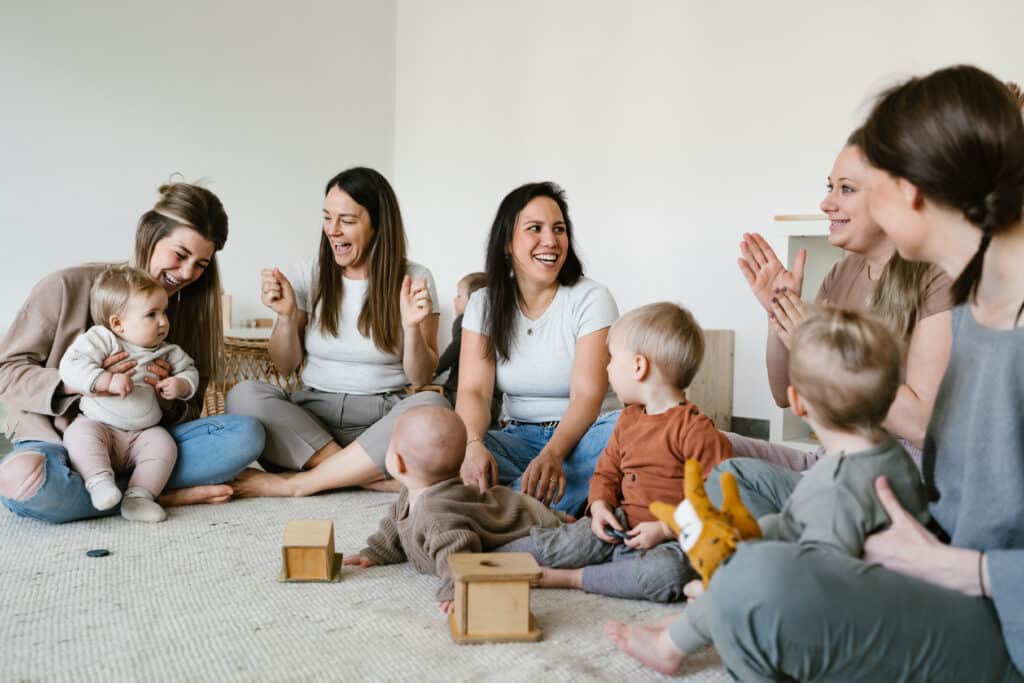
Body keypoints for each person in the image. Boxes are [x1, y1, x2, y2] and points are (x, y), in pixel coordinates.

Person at [607, 64, 1024, 681]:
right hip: (935, 564)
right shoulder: (977, 304)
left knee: (760, 579)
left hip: (995, 617)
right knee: (753, 553)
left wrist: (960, 569)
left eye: (866, 183)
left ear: (911, 190)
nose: (833, 201)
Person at [661, 307, 928, 657]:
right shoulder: (893, 459)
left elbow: (811, 583)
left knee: (750, 588)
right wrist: (761, 534)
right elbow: (796, 528)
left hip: (853, 634)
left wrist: (736, 588)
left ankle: (668, 645)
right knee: (766, 533)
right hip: (896, 602)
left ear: (798, 403)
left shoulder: (838, 484)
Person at [0, 182, 265, 523]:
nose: (187, 274)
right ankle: (157, 495)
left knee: (246, 435)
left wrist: (169, 392)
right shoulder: (66, 287)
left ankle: (126, 492)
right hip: (60, 442)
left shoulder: (181, 313)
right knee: (20, 479)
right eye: (180, 255)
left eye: (200, 264)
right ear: (149, 235)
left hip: (144, 441)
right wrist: (88, 381)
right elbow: (6, 370)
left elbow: (191, 405)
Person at [730, 130, 954, 472]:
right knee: (700, 442)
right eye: (829, 187)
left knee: (732, 477)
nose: (826, 203)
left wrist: (823, 345)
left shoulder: (937, 278)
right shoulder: (841, 273)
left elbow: (923, 428)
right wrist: (780, 311)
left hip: (892, 466)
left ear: (893, 198)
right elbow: (784, 394)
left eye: (846, 189)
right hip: (831, 458)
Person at [226, 167, 448, 497]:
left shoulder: (414, 277)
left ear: (377, 223)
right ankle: (361, 473)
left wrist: (410, 328)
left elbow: (420, 378)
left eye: (346, 220)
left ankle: (300, 483)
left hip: (381, 418)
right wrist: (286, 317)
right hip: (313, 419)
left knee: (433, 405)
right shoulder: (310, 272)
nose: (333, 230)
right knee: (242, 395)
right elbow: (284, 365)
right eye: (327, 218)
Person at [500, 303, 730, 602]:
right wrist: (599, 508)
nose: (607, 368)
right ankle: (489, 560)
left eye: (612, 359)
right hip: (618, 525)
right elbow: (606, 473)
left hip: (668, 541)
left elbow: (716, 501)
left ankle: (572, 578)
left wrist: (663, 529)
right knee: (565, 542)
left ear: (638, 366)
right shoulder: (627, 420)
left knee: (669, 572)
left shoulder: (696, 431)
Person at [456, 182, 621, 516]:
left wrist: (554, 455)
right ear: (506, 242)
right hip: (515, 438)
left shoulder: (591, 298)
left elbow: (587, 396)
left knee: (627, 434)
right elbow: (473, 392)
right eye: (535, 229)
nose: (551, 240)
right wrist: (473, 445)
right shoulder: (482, 303)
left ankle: (499, 511)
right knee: (443, 444)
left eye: (559, 229)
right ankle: (540, 506)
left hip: (585, 437)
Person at [342, 405, 567, 613]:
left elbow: (457, 551)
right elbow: (395, 522)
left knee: (546, 550)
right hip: (504, 506)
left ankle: (564, 520)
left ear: (398, 462)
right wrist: (377, 552)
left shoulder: (438, 517)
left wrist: (456, 588)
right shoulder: (411, 491)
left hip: (527, 519)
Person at [58, 265, 200, 522]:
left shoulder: (166, 351)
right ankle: (99, 482)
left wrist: (181, 384)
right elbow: (70, 366)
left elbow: (190, 370)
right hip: (100, 425)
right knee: (78, 434)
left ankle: (138, 498)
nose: (163, 322)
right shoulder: (103, 339)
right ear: (117, 323)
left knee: (163, 445)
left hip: (143, 432)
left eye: (164, 312)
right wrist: (105, 379)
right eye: (151, 314)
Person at [434, 271, 499, 425]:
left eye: (459, 296)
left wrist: (434, 370)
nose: (454, 300)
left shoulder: (465, 320)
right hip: (495, 401)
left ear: (475, 301)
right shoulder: (497, 323)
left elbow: (454, 349)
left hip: (461, 396)